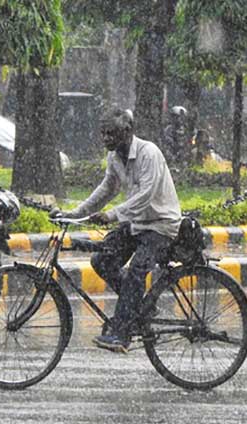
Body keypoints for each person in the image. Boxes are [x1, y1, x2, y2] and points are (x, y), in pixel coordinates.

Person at [50, 106, 182, 353]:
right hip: (136, 223)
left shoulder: (148, 153)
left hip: (161, 225)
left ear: (129, 130)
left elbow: (146, 195)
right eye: (103, 134)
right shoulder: (114, 157)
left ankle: (121, 334)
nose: (106, 139)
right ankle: (140, 307)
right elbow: (106, 189)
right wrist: (74, 214)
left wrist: (112, 214)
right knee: (102, 260)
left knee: (136, 271)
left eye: (111, 134)